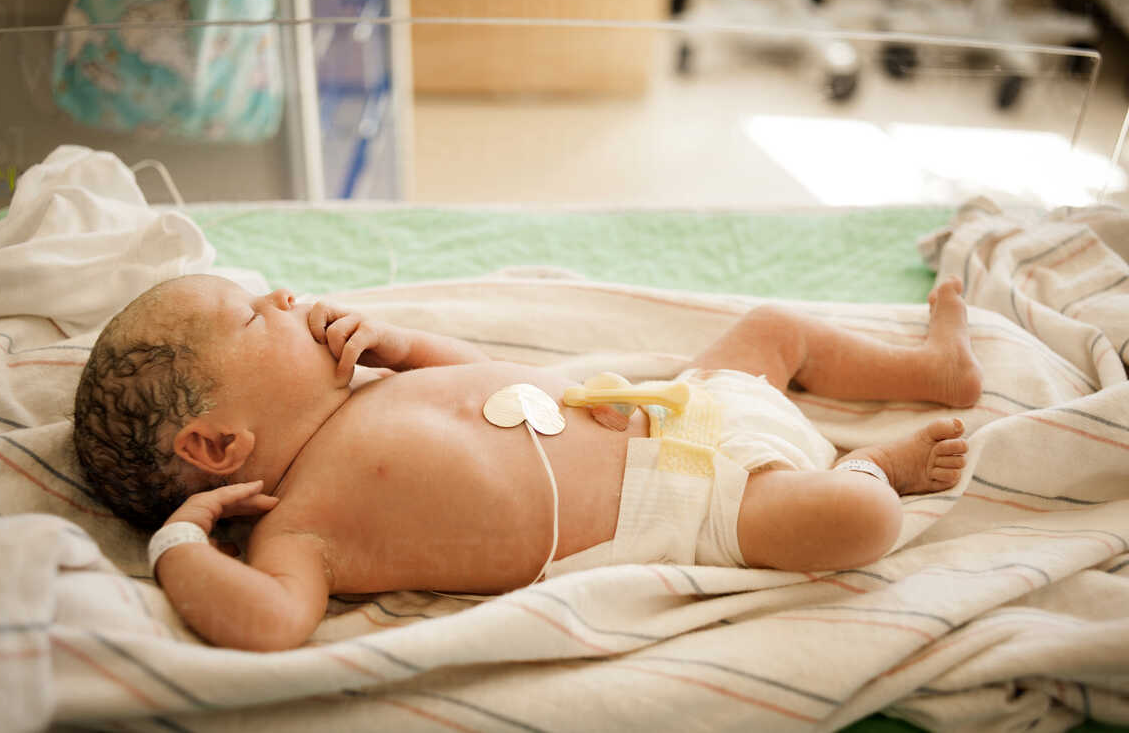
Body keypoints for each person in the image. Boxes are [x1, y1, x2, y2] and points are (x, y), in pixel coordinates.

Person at [73, 274, 982, 651]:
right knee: (859, 525)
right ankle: (875, 469)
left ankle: (931, 370)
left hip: (681, 405)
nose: (279, 296)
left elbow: (486, 377)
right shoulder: (298, 526)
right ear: (214, 447)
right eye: (249, 315)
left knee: (775, 331)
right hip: (692, 507)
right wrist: (183, 545)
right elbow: (271, 625)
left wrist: (404, 340)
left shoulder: (368, 388)